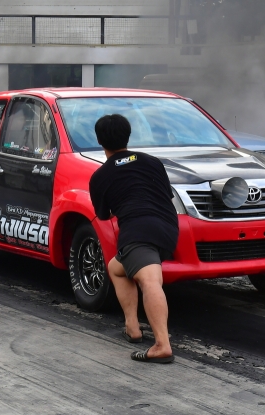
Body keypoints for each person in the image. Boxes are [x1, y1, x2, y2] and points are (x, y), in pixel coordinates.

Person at [89, 114, 179, 363]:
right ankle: (132, 327)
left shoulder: (100, 176)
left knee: (150, 281)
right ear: (128, 135)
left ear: (99, 140)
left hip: (138, 231)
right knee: (116, 268)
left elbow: (103, 215)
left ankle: (162, 344)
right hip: (169, 228)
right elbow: (165, 195)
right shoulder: (152, 162)